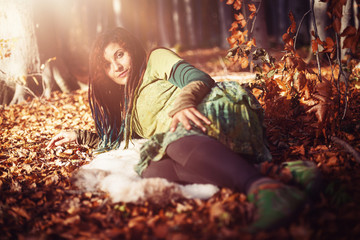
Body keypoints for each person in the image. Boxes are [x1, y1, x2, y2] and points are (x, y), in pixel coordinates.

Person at [47, 27, 320, 232]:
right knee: (151, 169)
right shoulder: (128, 102)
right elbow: (120, 139)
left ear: (131, 48)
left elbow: (198, 77)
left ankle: (263, 188)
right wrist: (80, 136)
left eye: (119, 55)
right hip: (189, 140)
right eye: (107, 64)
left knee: (174, 143)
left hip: (215, 109)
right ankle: (280, 174)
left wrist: (183, 103)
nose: (116, 66)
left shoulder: (155, 58)